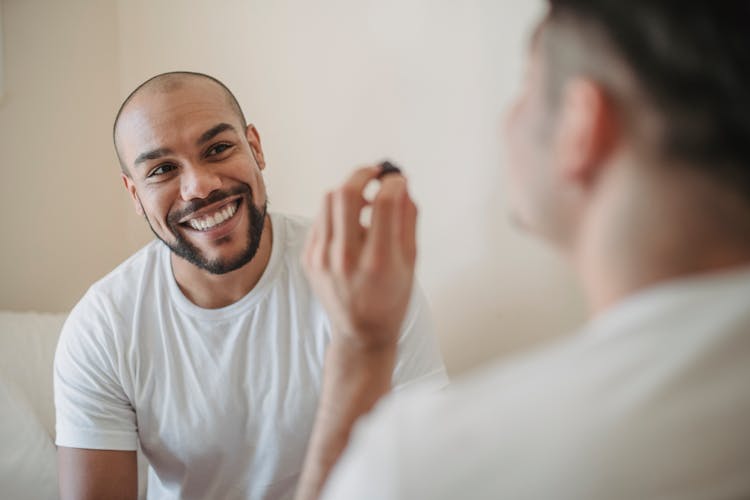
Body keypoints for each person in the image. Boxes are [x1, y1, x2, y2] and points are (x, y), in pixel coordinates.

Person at [295, 1, 750, 499]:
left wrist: (363, 349)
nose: (507, 118)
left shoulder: (433, 466)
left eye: (527, 86)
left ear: (581, 127)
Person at [53, 72, 447, 500]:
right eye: (163, 169)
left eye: (218, 149)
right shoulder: (102, 327)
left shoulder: (363, 276)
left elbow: (425, 467)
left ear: (255, 148)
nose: (199, 185)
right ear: (134, 194)